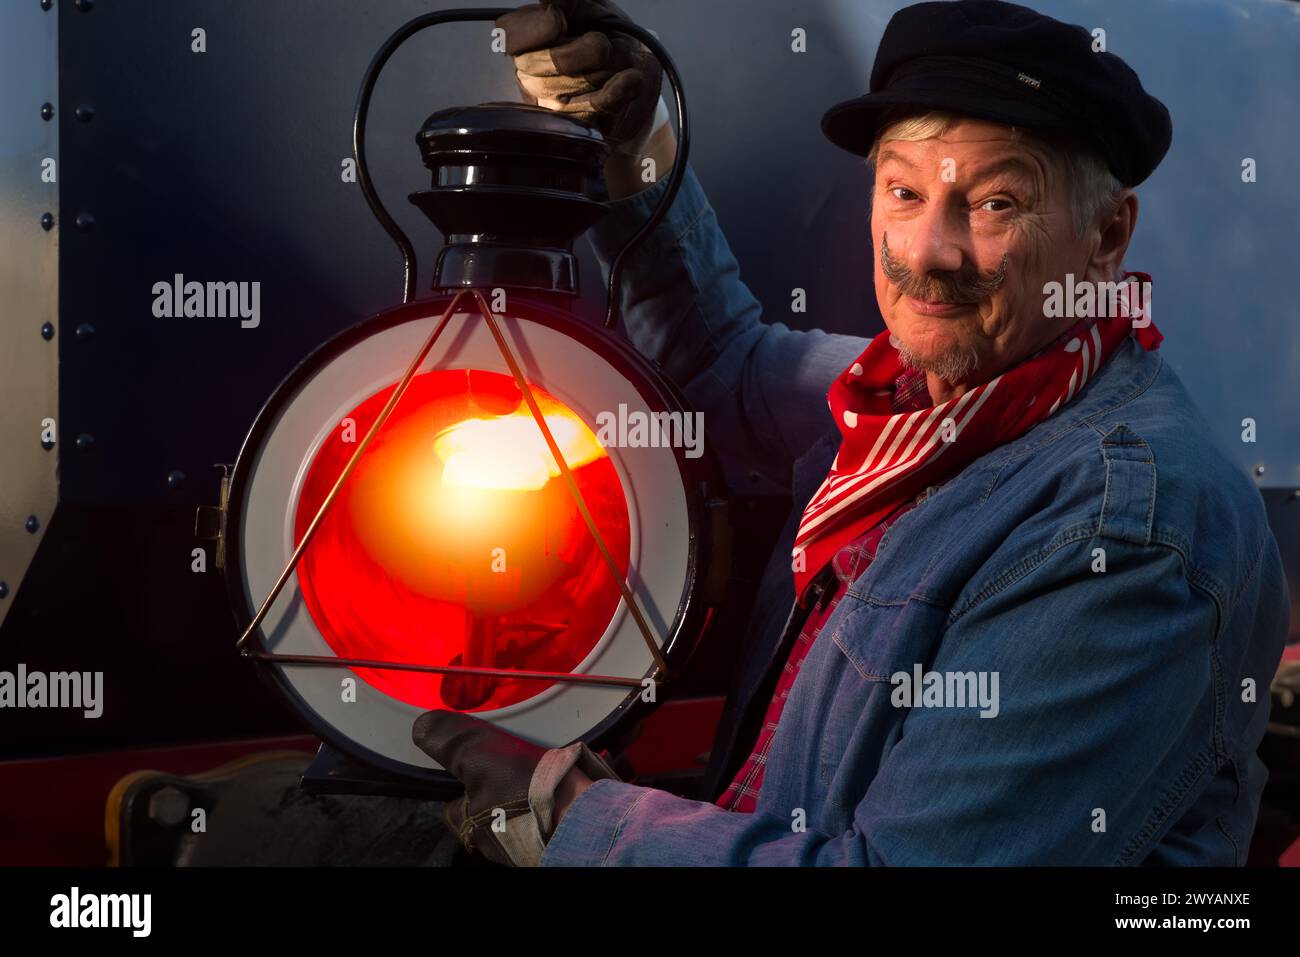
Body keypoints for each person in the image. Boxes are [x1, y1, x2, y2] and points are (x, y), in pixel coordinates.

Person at [412, 0, 1291, 866]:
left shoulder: (1125, 529)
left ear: (1106, 236)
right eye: (905, 190)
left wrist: (579, 821)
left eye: (994, 203)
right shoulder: (909, 402)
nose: (929, 250)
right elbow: (721, 361)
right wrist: (635, 147)